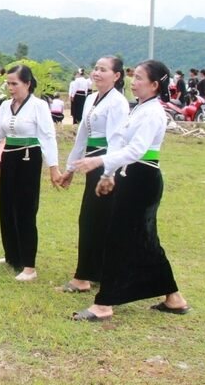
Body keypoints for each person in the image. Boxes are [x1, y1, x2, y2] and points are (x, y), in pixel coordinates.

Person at [70, 60, 191, 321]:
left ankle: (104, 304)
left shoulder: (153, 113)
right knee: (146, 241)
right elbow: (118, 143)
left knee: (118, 239)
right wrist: (108, 174)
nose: (133, 82)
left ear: (154, 84)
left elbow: (136, 150)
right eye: (133, 77)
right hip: (130, 177)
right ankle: (174, 298)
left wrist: (99, 161)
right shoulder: (138, 109)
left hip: (143, 179)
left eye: (138, 78)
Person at [0, 64, 61, 281]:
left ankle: (29, 265)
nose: (10, 88)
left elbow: (47, 137)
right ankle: (12, 255)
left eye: (14, 84)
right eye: (8, 83)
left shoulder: (38, 106)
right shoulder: (6, 106)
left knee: (26, 209)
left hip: (29, 158)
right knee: (6, 206)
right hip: (9, 157)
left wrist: (53, 168)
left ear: (27, 84)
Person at [58, 56, 130, 293]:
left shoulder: (118, 102)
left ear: (116, 76)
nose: (97, 73)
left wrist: (108, 172)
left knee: (94, 219)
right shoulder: (91, 99)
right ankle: (97, 271)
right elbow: (82, 137)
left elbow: (117, 140)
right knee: (94, 219)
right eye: (96, 69)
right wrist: (70, 169)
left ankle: (84, 278)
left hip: (105, 164)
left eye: (103, 70)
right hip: (91, 162)